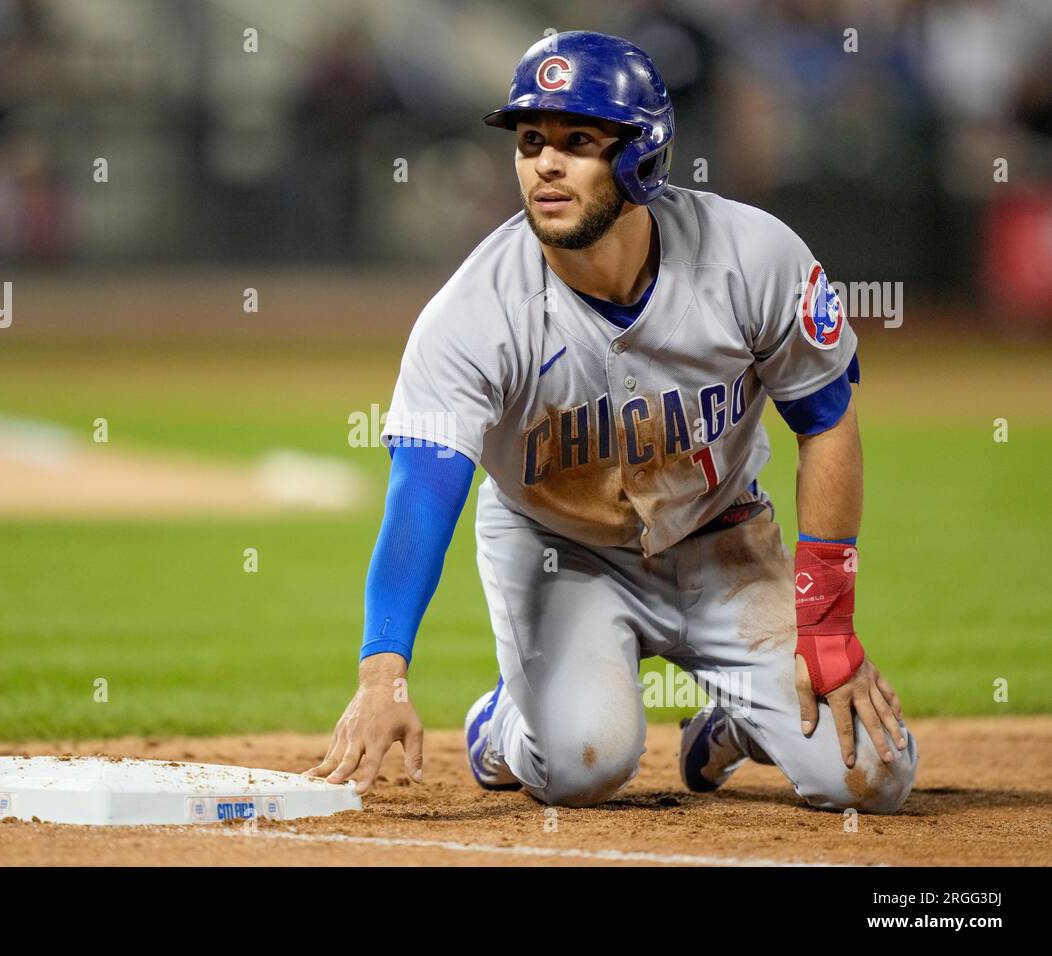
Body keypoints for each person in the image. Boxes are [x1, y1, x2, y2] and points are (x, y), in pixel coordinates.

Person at [305, 31, 918, 812]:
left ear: (644, 156)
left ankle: (730, 725)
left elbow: (826, 419)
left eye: (578, 141)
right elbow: (422, 491)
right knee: (583, 766)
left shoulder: (751, 257)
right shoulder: (473, 313)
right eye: (530, 142)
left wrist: (826, 622)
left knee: (873, 775)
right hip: (561, 552)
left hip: (723, 538)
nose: (545, 164)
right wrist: (380, 671)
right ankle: (502, 724)